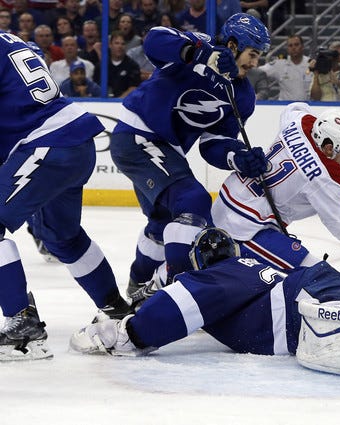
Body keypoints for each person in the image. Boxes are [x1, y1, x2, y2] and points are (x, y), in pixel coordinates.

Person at [69, 226, 340, 382]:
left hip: (309, 308)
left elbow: (165, 317)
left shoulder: (210, 280)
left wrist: (123, 332)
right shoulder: (246, 267)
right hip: (318, 285)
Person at [109, 13, 271, 298]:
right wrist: (199, 53)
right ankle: (176, 294)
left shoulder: (243, 96)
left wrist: (238, 157)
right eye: (253, 53)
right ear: (233, 45)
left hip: (166, 149)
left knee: (162, 223)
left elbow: (214, 143)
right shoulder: (199, 45)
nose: (255, 63)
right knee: (193, 201)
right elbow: (154, 40)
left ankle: (138, 286)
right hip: (137, 135)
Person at [0, 32, 131, 360]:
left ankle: (24, 326)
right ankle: (116, 310)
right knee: (63, 236)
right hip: (75, 140)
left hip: (46, 144)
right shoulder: (10, 39)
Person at [210, 102, 340, 272]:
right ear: (329, 147)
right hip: (246, 227)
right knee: (314, 278)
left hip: (226, 199)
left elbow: (295, 107)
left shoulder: (299, 122)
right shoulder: (327, 177)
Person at [259, 34, 312, 101]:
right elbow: (259, 72)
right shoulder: (279, 64)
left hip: (305, 106)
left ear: (302, 46)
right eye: (290, 45)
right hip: (284, 106)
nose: (293, 48)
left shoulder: (310, 64)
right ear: (287, 48)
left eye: (296, 44)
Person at [92, 30, 141, 97]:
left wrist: (118, 101)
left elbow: (133, 88)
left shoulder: (132, 66)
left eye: (123, 44)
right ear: (110, 45)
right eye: (117, 43)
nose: (120, 46)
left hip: (123, 103)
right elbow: (95, 86)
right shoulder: (101, 66)